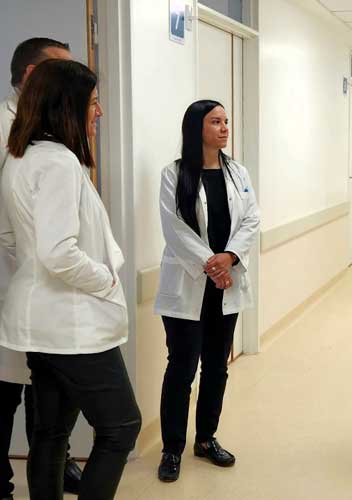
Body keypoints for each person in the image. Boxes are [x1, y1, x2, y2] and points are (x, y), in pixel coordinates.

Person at [0, 59, 141, 500]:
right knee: (121, 426)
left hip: (40, 323)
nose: (99, 112)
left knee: (51, 431)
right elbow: (58, 252)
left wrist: (36, 271)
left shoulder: (20, 157)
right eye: (93, 102)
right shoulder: (59, 163)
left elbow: (9, 237)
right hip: (72, 326)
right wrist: (105, 280)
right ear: (67, 106)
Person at [155, 100, 260, 482]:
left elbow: (252, 219)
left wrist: (229, 257)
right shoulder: (174, 174)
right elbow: (174, 227)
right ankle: (171, 448)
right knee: (181, 368)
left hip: (225, 285)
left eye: (226, 121)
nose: (224, 127)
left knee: (216, 367)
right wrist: (211, 264)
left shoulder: (237, 172)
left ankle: (205, 438)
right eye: (216, 121)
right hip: (190, 285)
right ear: (196, 127)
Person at [0, 37, 82, 500]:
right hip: (14, 282)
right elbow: (7, 226)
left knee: (45, 391)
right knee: (5, 395)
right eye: (60, 72)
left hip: (42, 287)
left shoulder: (48, 130)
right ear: (33, 76)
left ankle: (54, 468)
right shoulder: (4, 127)